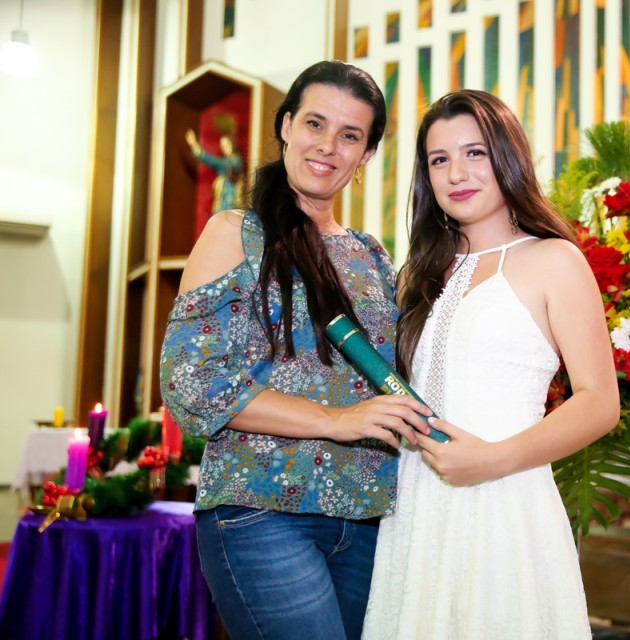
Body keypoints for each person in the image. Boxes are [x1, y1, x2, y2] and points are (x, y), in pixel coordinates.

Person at [159, 61, 431, 640]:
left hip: (367, 517)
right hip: (261, 509)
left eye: (350, 135)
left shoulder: (373, 255)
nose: (328, 145)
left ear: (366, 155)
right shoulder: (235, 232)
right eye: (314, 123)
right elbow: (190, 384)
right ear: (286, 126)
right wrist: (336, 420)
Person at [362, 90, 620, 639]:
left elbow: (600, 402)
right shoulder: (418, 275)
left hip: (506, 499)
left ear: (508, 156)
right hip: (416, 506)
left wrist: (492, 460)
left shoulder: (554, 259)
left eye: (474, 153)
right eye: (439, 160)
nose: (456, 173)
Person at [185, 127, 244, 213]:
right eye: (222, 146)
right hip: (222, 199)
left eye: (226, 145)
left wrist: (196, 148)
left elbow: (216, 162)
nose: (224, 148)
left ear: (232, 145)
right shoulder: (226, 161)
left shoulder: (235, 162)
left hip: (230, 201)